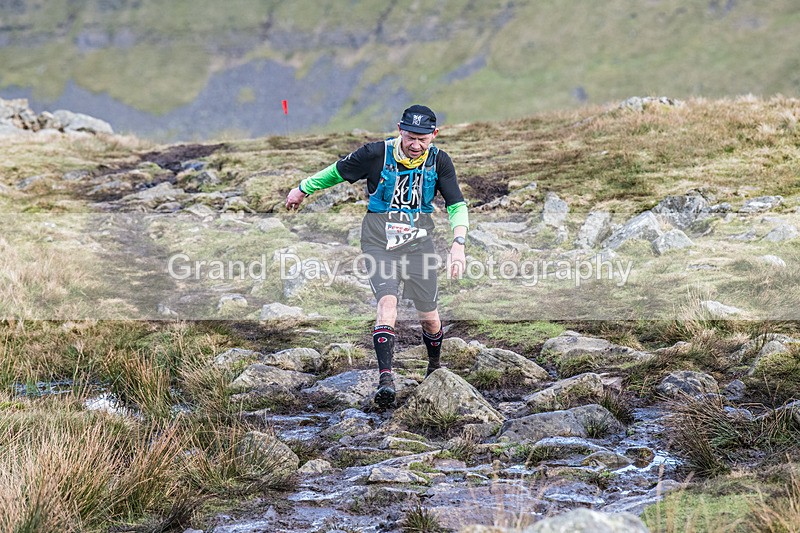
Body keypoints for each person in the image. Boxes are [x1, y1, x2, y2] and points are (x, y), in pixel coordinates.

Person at [285, 104, 468, 408]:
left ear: (434, 135)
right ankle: (386, 380)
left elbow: (457, 205)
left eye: (423, 139)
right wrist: (303, 188)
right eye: (410, 137)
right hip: (378, 242)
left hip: (419, 243)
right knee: (387, 302)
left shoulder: (440, 162)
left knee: (430, 318)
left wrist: (458, 243)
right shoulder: (375, 154)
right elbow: (338, 171)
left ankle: (434, 367)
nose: (415, 145)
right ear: (400, 129)